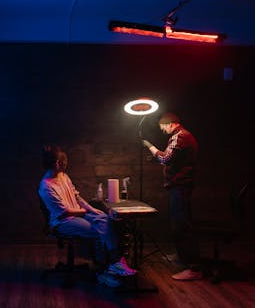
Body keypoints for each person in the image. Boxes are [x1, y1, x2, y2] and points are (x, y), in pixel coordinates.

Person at [38, 145, 136, 287]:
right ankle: (103, 272)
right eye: (64, 161)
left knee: (104, 218)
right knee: (99, 230)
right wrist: (87, 212)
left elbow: (76, 197)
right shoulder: (46, 186)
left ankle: (115, 262)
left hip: (77, 214)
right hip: (63, 221)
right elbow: (64, 212)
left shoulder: (63, 176)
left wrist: (92, 210)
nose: (66, 164)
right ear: (57, 164)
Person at [142, 112, 203, 281]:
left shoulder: (180, 136)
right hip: (181, 186)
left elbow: (167, 158)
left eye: (163, 127)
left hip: (180, 187)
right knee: (179, 223)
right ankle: (182, 257)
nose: (162, 130)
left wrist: (150, 146)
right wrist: (156, 157)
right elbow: (175, 159)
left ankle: (194, 267)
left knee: (182, 225)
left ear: (171, 123)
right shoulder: (183, 136)